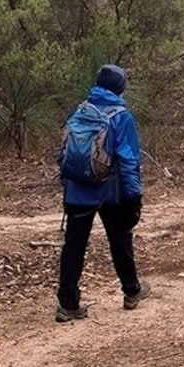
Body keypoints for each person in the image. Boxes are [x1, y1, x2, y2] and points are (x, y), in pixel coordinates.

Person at [55, 64, 149, 322]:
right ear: (120, 87)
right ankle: (132, 291)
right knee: (120, 240)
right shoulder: (121, 116)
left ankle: (67, 304)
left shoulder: (80, 110)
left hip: (76, 191)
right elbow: (128, 160)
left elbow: (64, 153)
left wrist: (66, 184)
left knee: (74, 246)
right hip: (110, 192)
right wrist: (134, 195)